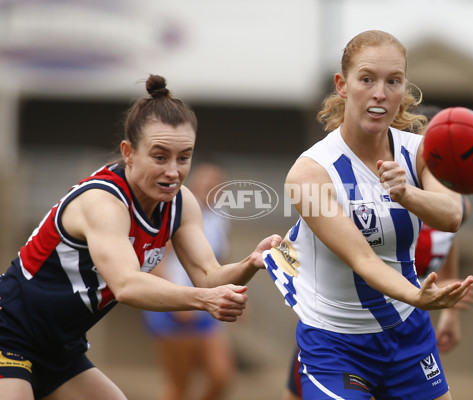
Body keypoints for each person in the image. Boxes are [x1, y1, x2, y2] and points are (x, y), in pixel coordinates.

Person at [0, 74, 280, 400]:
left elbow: (208, 276)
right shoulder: (104, 203)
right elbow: (127, 284)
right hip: (10, 332)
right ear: (129, 152)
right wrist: (205, 301)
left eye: (184, 157)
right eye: (160, 157)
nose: (173, 171)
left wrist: (252, 261)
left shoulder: (181, 203)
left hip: (61, 348)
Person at [264, 30, 473, 400]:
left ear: (403, 88)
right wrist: (417, 296)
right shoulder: (309, 173)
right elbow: (361, 257)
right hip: (336, 343)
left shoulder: (422, 151)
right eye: (367, 79)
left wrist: (406, 193)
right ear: (342, 85)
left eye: (392, 81)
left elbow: (452, 216)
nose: (380, 92)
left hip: (408, 333)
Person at [282, 195, 473, 400]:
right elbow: (364, 264)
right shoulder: (373, 205)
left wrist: (451, 311)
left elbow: (449, 235)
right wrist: (418, 287)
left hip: (405, 332)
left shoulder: (450, 207)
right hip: (346, 331)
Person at [142, 161, 236, 400]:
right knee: (180, 385)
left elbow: (219, 260)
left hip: (205, 303)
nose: (211, 188)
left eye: (217, 184)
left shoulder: (219, 217)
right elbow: (155, 262)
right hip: (175, 306)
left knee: (221, 376)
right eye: (206, 183)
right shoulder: (178, 213)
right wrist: (178, 299)